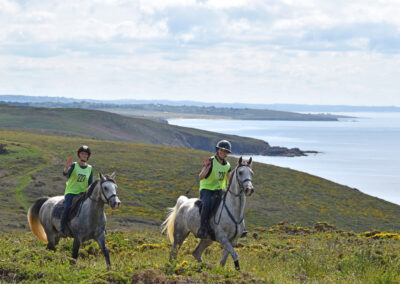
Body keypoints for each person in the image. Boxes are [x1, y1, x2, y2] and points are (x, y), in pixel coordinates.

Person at [196, 140, 232, 239]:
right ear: (217, 150)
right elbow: (200, 176)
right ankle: (202, 228)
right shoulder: (211, 161)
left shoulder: (227, 166)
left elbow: (230, 180)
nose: (223, 152)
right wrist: (207, 167)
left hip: (219, 190)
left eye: (225, 151)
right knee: (207, 204)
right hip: (207, 189)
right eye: (221, 150)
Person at [59, 145, 93, 237]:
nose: (84, 155)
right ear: (79, 155)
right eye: (82, 154)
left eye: (86, 154)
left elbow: (90, 183)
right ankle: (62, 229)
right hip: (71, 192)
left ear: (88, 156)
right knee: (67, 208)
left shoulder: (90, 168)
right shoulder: (74, 165)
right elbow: (65, 174)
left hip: (83, 194)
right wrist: (66, 167)